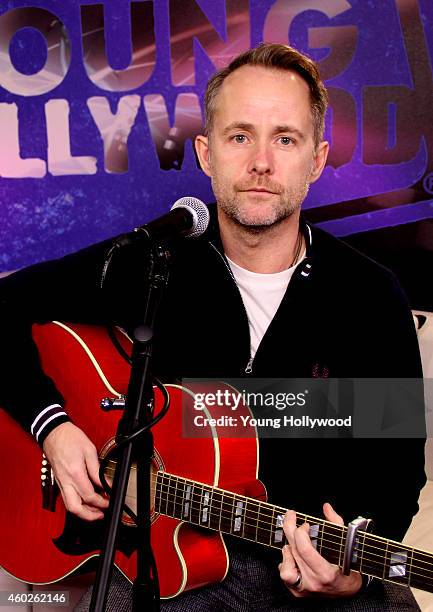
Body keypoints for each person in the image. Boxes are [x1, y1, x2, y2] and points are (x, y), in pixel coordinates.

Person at [0, 43, 426, 610]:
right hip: (161, 559)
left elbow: (396, 471)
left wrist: (356, 570)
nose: (261, 164)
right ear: (206, 153)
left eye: (286, 138)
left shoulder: (370, 296)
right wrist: (52, 427)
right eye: (240, 136)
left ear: (318, 159)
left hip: (310, 569)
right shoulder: (153, 261)